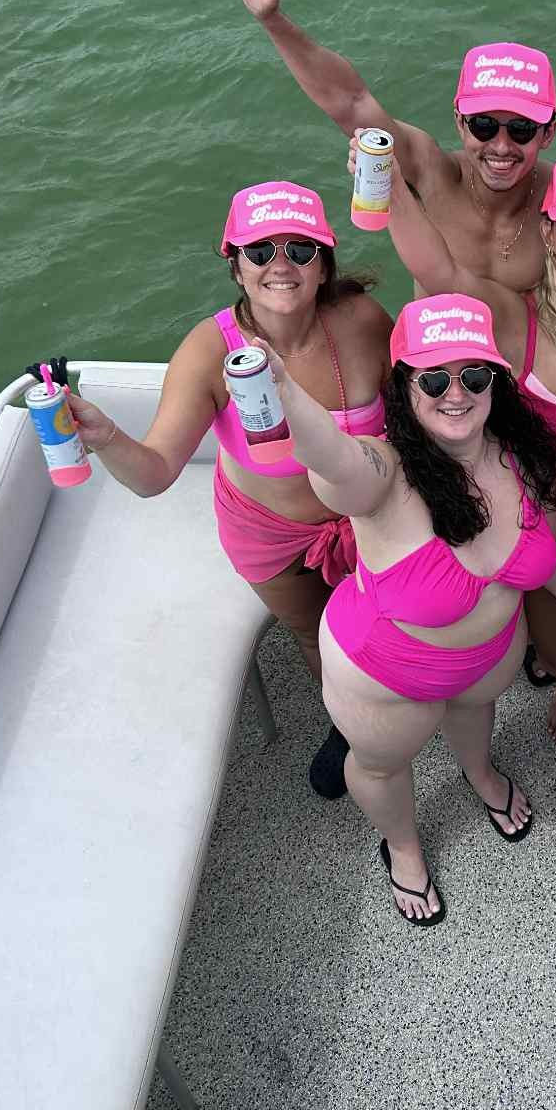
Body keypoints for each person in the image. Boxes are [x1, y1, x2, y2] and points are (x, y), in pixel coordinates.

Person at [273, 293, 556, 927]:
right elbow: (334, 463)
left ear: (495, 383)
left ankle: (479, 773)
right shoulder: (385, 472)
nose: (456, 393)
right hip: (384, 673)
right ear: (404, 386)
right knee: (379, 765)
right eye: (434, 377)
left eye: (473, 375)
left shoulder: (519, 453)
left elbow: (554, 541)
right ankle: (402, 844)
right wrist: (286, 393)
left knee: (474, 712)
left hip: (487, 662)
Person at [65, 181, 392, 797]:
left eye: (299, 248)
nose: (280, 265)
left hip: (369, 513)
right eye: (260, 250)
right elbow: (155, 472)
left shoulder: (365, 321)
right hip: (270, 534)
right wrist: (107, 436)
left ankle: (413, 690)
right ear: (236, 267)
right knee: (314, 631)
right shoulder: (209, 351)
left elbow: (419, 404)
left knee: (390, 613)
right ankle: (347, 726)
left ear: (323, 266)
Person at [366, 136, 556, 748]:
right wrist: (383, 176)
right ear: (548, 231)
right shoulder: (515, 318)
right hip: (542, 539)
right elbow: (437, 271)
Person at [215, 0, 556, 290]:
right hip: (431, 349)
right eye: (484, 126)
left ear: (548, 132)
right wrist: (272, 19)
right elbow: (352, 100)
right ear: (460, 123)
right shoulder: (434, 173)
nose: (502, 146)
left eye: (522, 129)